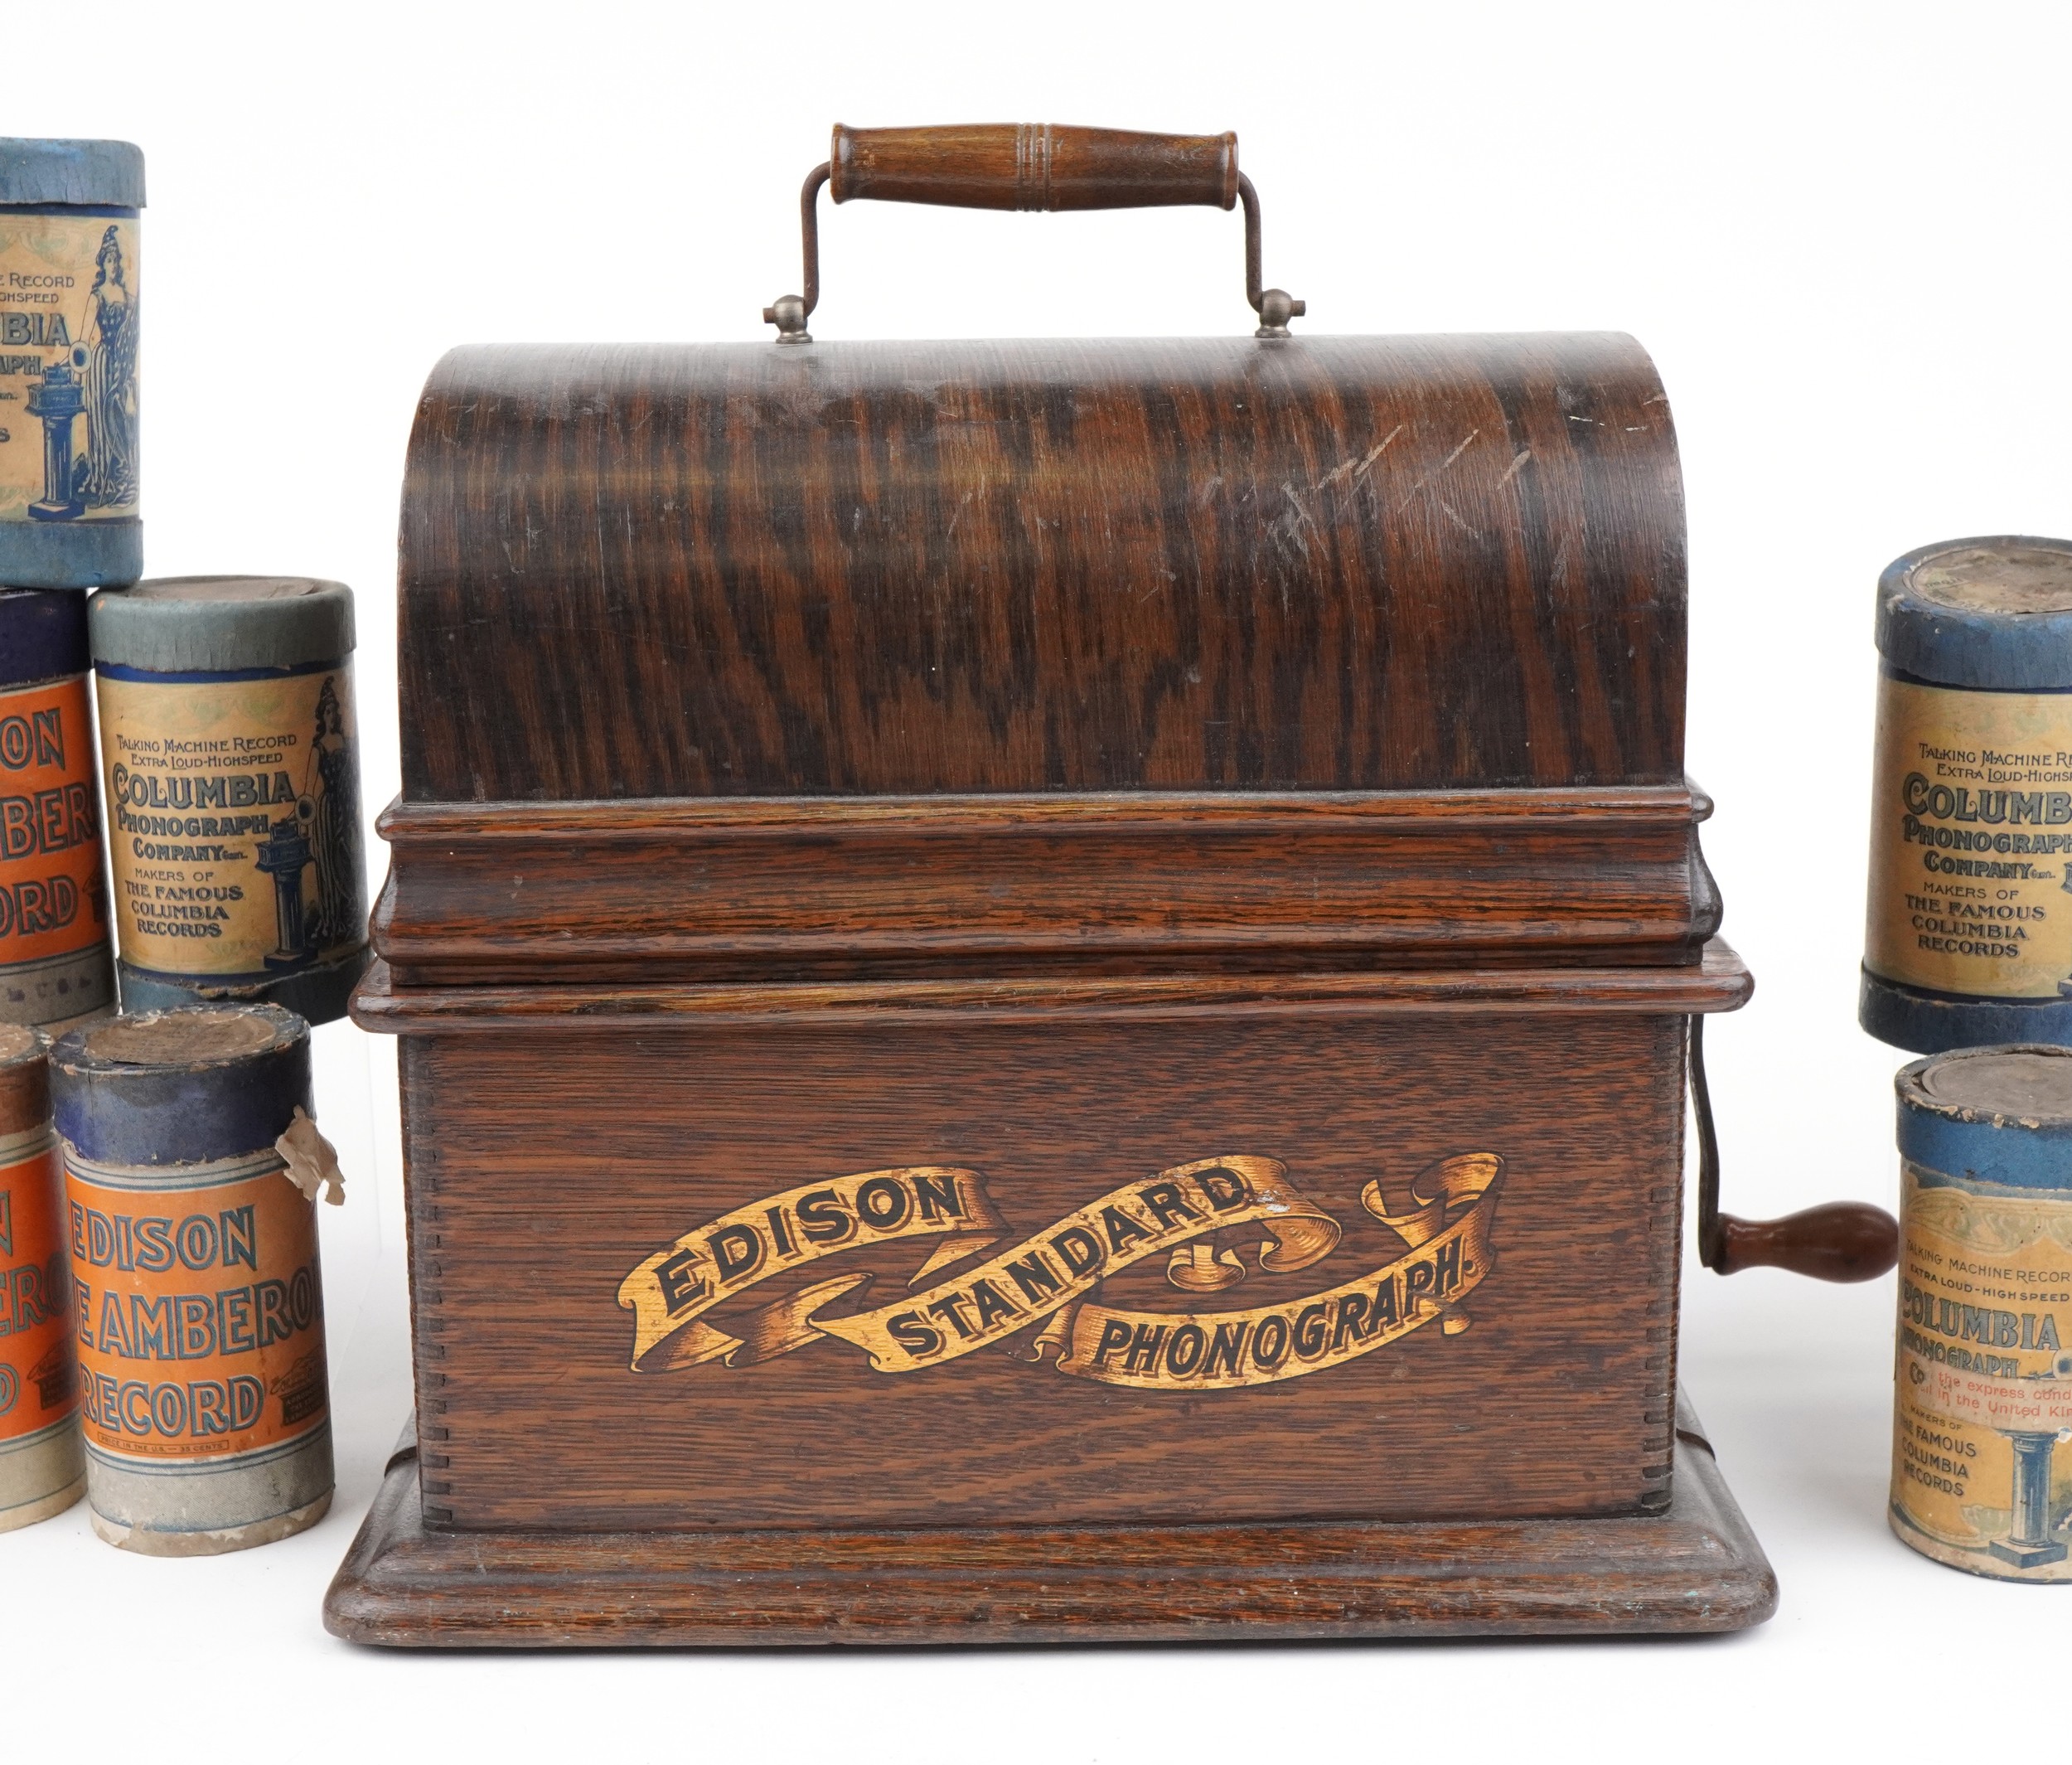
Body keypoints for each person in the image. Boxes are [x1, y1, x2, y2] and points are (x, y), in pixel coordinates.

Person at [80, 225, 138, 511]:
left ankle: (121, 477)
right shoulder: (97, 295)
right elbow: (84, 337)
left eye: (116, 259)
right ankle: (102, 478)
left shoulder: (129, 298)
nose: (113, 265)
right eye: (109, 260)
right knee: (101, 422)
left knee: (120, 419)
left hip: (122, 364)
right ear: (102, 263)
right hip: (101, 363)